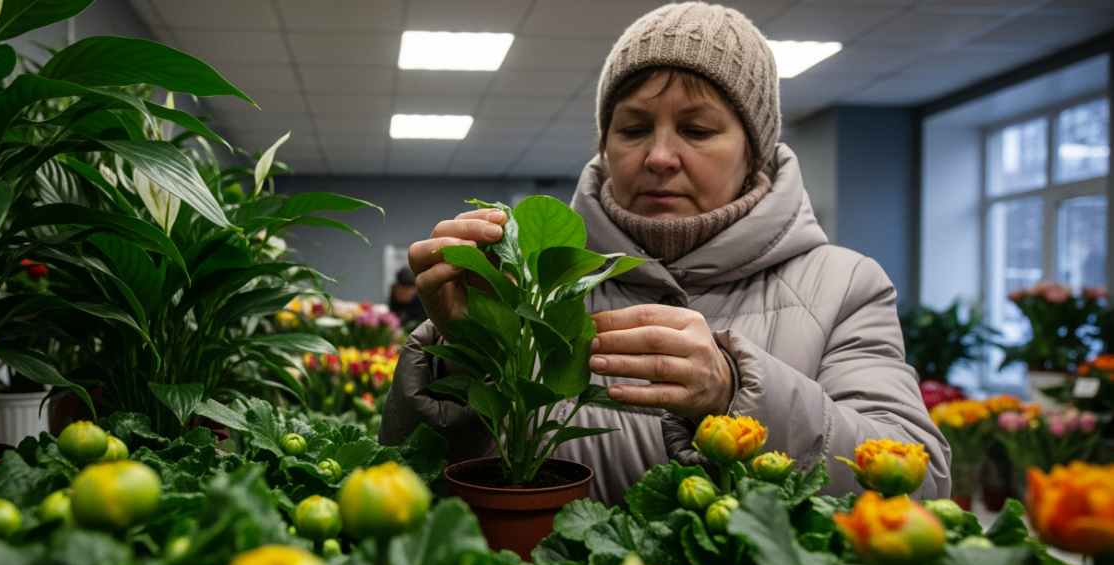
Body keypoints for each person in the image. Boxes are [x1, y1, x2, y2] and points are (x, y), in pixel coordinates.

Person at [380, 2, 950, 507]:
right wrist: (469, 344)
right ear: (604, 147)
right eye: (632, 129)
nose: (658, 156)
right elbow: (427, 488)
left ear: (754, 152)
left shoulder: (843, 285)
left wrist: (735, 393)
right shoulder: (535, 281)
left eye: (697, 130)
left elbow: (919, 483)